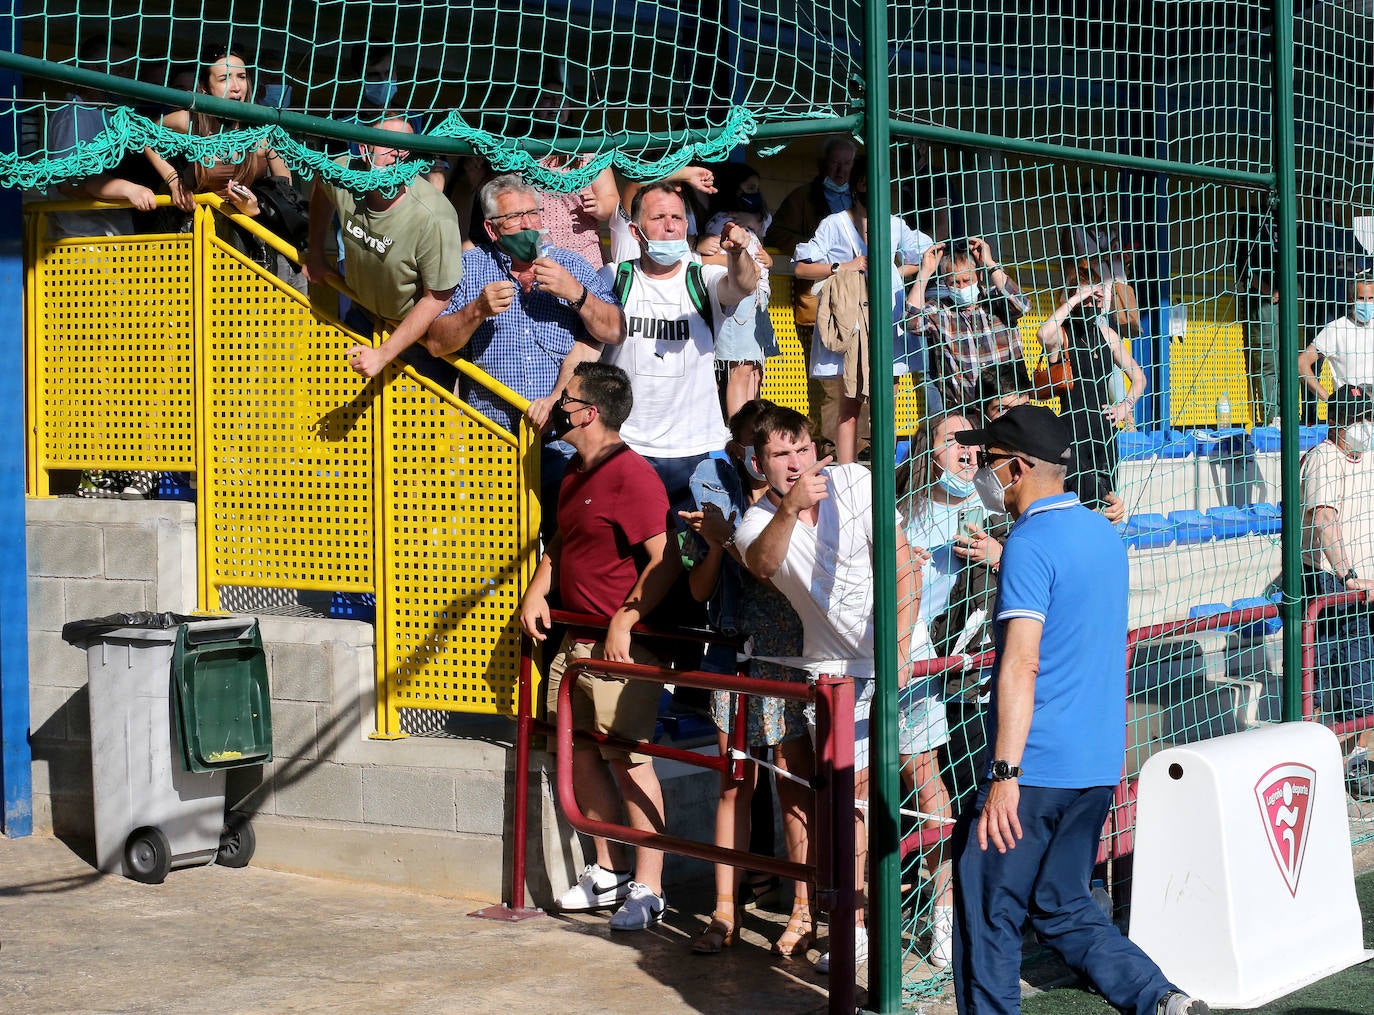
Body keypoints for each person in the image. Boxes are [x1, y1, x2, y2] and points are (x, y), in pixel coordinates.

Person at [947, 404, 1208, 1015]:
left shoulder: (1028, 544)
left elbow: (1021, 663)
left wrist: (1005, 774)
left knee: (990, 909)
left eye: (989, 463)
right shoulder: (1101, 534)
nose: (984, 473)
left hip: (1034, 766)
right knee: (1061, 903)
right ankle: (1161, 1001)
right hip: (1096, 762)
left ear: (1016, 467)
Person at [731, 405, 920, 975]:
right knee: (850, 798)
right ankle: (856, 926)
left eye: (803, 449)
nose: (796, 463)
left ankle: (940, 913)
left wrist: (902, 648)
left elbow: (903, 564)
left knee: (927, 791)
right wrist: (790, 506)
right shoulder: (752, 523)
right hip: (835, 672)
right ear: (759, 464)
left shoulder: (856, 481)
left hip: (901, 655)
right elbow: (763, 564)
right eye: (781, 455)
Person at [518, 362, 678, 931]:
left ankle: (650, 887)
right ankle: (606, 871)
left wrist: (625, 621)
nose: (556, 406)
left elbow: (665, 558)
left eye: (567, 399)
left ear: (588, 412)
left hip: (618, 653)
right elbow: (563, 541)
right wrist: (539, 590)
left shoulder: (631, 475)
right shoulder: (575, 474)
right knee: (579, 753)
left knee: (630, 759)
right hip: (572, 641)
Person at [676, 400, 815, 958]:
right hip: (739, 661)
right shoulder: (725, 507)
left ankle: (804, 910)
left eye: (793, 449)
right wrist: (715, 542)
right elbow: (699, 591)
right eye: (771, 451)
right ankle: (725, 910)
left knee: (794, 785)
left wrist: (729, 535)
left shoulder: (807, 507)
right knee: (734, 783)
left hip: (794, 659)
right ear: (749, 456)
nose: (784, 461)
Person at [425, 174, 623, 530]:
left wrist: (576, 293)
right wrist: (476, 311)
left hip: (564, 438)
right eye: (514, 218)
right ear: (491, 228)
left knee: (563, 542)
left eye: (533, 214)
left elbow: (614, 329)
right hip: (492, 441)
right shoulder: (470, 269)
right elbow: (437, 343)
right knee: (496, 545)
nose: (528, 225)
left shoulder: (571, 265)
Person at [896, 410, 1002, 968]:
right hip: (907, 667)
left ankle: (945, 914)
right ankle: (876, 914)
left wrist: (996, 556)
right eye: (952, 441)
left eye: (971, 443)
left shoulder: (992, 513)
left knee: (946, 792)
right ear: (926, 451)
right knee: (881, 792)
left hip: (968, 683)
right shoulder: (900, 515)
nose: (966, 451)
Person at [599, 182, 758, 512]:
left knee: (708, 553)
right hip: (627, 445)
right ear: (635, 230)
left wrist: (738, 252)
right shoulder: (614, 277)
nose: (670, 225)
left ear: (687, 226)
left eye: (677, 217)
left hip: (699, 447)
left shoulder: (704, 278)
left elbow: (742, 284)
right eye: (658, 217)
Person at [794, 158, 933, 463]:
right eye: (873, 181)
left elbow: (921, 256)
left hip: (887, 317)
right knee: (849, 402)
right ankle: (847, 474)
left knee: (888, 399)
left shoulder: (895, 224)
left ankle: (883, 470)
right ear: (859, 184)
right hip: (852, 319)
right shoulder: (834, 223)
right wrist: (844, 267)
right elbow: (802, 268)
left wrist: (894, 271)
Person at [305, 118, 464, 384]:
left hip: (418, 337)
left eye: (406, 146)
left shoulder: (434, 215)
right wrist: (315, 253)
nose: (398, 154)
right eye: (389, 145)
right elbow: (322, 185)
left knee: (416, 423)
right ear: (364, 149)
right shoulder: (344, 174)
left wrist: (383, 354)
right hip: (362, 312)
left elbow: (438, 296)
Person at [143, 43, 294, 261]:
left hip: (247, 239)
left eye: (242, 77)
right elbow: (145, 136)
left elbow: (285, 193)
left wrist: (255, 208)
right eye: (224, 79)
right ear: (204, 87)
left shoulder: (264, 130)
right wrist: (173, 180)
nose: (236, 87)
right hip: (190, 241)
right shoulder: (190, 122)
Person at [1300, 384, 1374, 799]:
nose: (1367, 425)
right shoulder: (1324, 459)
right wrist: (1348, 575)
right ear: (1343, 422)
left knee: (1364, 676)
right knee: (1345, 677)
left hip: (1367, 583)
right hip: (1334, 582)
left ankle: (1360, 758)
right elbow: (1325, 520)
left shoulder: (1365, 459)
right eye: (1361, 417)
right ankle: (1345, 763)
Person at [1037, 275, 1147, 512]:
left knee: (1106, 500)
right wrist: (1077, 296)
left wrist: (1125, 406)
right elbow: (1043, 334)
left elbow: (1139, 378)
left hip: (1103, 432)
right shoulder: (1063, 336)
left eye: (1093, 300)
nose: (1089, 305)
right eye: (1084, 301)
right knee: (1075, 501)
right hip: (1072, 431)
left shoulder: (1108, 336)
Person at [907, 238, 1030, 413]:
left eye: (967, 280)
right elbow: (911, 321)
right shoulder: (940, 311)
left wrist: (989, 263)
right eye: (954, 283)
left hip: (1009, 404)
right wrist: (925, 272)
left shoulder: (997, 300)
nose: (961, 287)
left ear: (979, 276)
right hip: (967, 410)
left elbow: (1022, 305)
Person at [695, 168, 777, 420]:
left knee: (754, 370)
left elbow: (765, 224)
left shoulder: (749, 224)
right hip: (741, 303)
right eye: (749, 189)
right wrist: (748, 261)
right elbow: (709, 258)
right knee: (739, 368)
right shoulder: (723, 220)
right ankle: (739, 433)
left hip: (758, 299)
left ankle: (751, 428)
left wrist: (766, 261)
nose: (755, 195)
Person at [1064, 190, 1141, 339]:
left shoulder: (1111, 232)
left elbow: (1119, 266)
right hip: (1092, 302)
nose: (1092, 204)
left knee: (1116, 351)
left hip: (1117, 300)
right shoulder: (1074, 230)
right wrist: (1105, 256)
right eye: (1087, 199)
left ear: (1104, 204)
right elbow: (1072, 267)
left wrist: (1125, 259)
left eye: (1097, 199)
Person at [1233, 200, 1281, 428]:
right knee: (1268, 361)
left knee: (1286, 361)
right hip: (1262, 301)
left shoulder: (1282, 217)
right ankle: (1272, 418)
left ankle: (1287, 415)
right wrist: (1266, 290)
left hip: (1287, 300)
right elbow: (1241, 264)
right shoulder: (1247, 220)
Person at [1297, 276, 1374, 406]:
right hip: (1352, 417)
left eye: (1371, 298)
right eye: (1361, 298)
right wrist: (1331, 401)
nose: (1366, 303)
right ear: (1351, 299)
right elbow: (1301, 363)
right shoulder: (1336, 328)